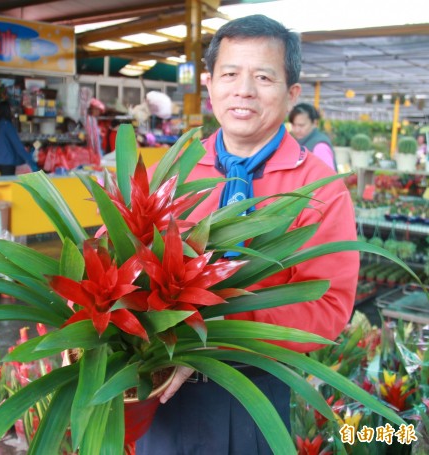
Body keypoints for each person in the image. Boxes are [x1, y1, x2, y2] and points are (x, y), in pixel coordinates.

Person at [137, 14, 358, 454]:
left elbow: (330, 305)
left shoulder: (319, 188)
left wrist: (216, 329)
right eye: (230, 74)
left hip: (249, 396)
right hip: (156, 388)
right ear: (209, 84)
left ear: (292, 93)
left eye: (263, 76)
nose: (244, 90)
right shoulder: (172, 168)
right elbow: (121, 241)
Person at [0, 100, 37, 176]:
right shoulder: (7, 125)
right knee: (9, 185)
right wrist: (30, 160)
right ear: (7, 111)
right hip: (7, 162)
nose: (12, 111)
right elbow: (17, 145)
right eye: (11, 109)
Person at [289, 102, 337, 170]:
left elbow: (328, 178)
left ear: (315, 123)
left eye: (301, 125)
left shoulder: (320, 146)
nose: (297, 130)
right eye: (294, 125)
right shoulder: (299, 142)